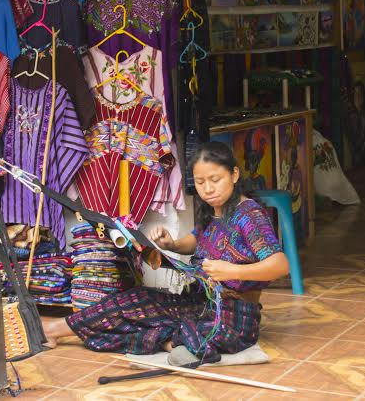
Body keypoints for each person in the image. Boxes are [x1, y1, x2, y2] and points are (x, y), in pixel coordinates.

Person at [42, 141, 290, 366]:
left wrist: (232, 271)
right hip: (199, 302)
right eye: (200, 182)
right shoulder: (214, 209)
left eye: (216, 179)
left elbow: (280, 265)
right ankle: (54, 330)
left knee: (181, 329)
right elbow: (197, 241)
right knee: (135, 300)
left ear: (234, 174)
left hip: (232, 315)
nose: (208, 189)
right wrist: (171, 244)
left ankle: (175, 341)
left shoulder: (249, 214)